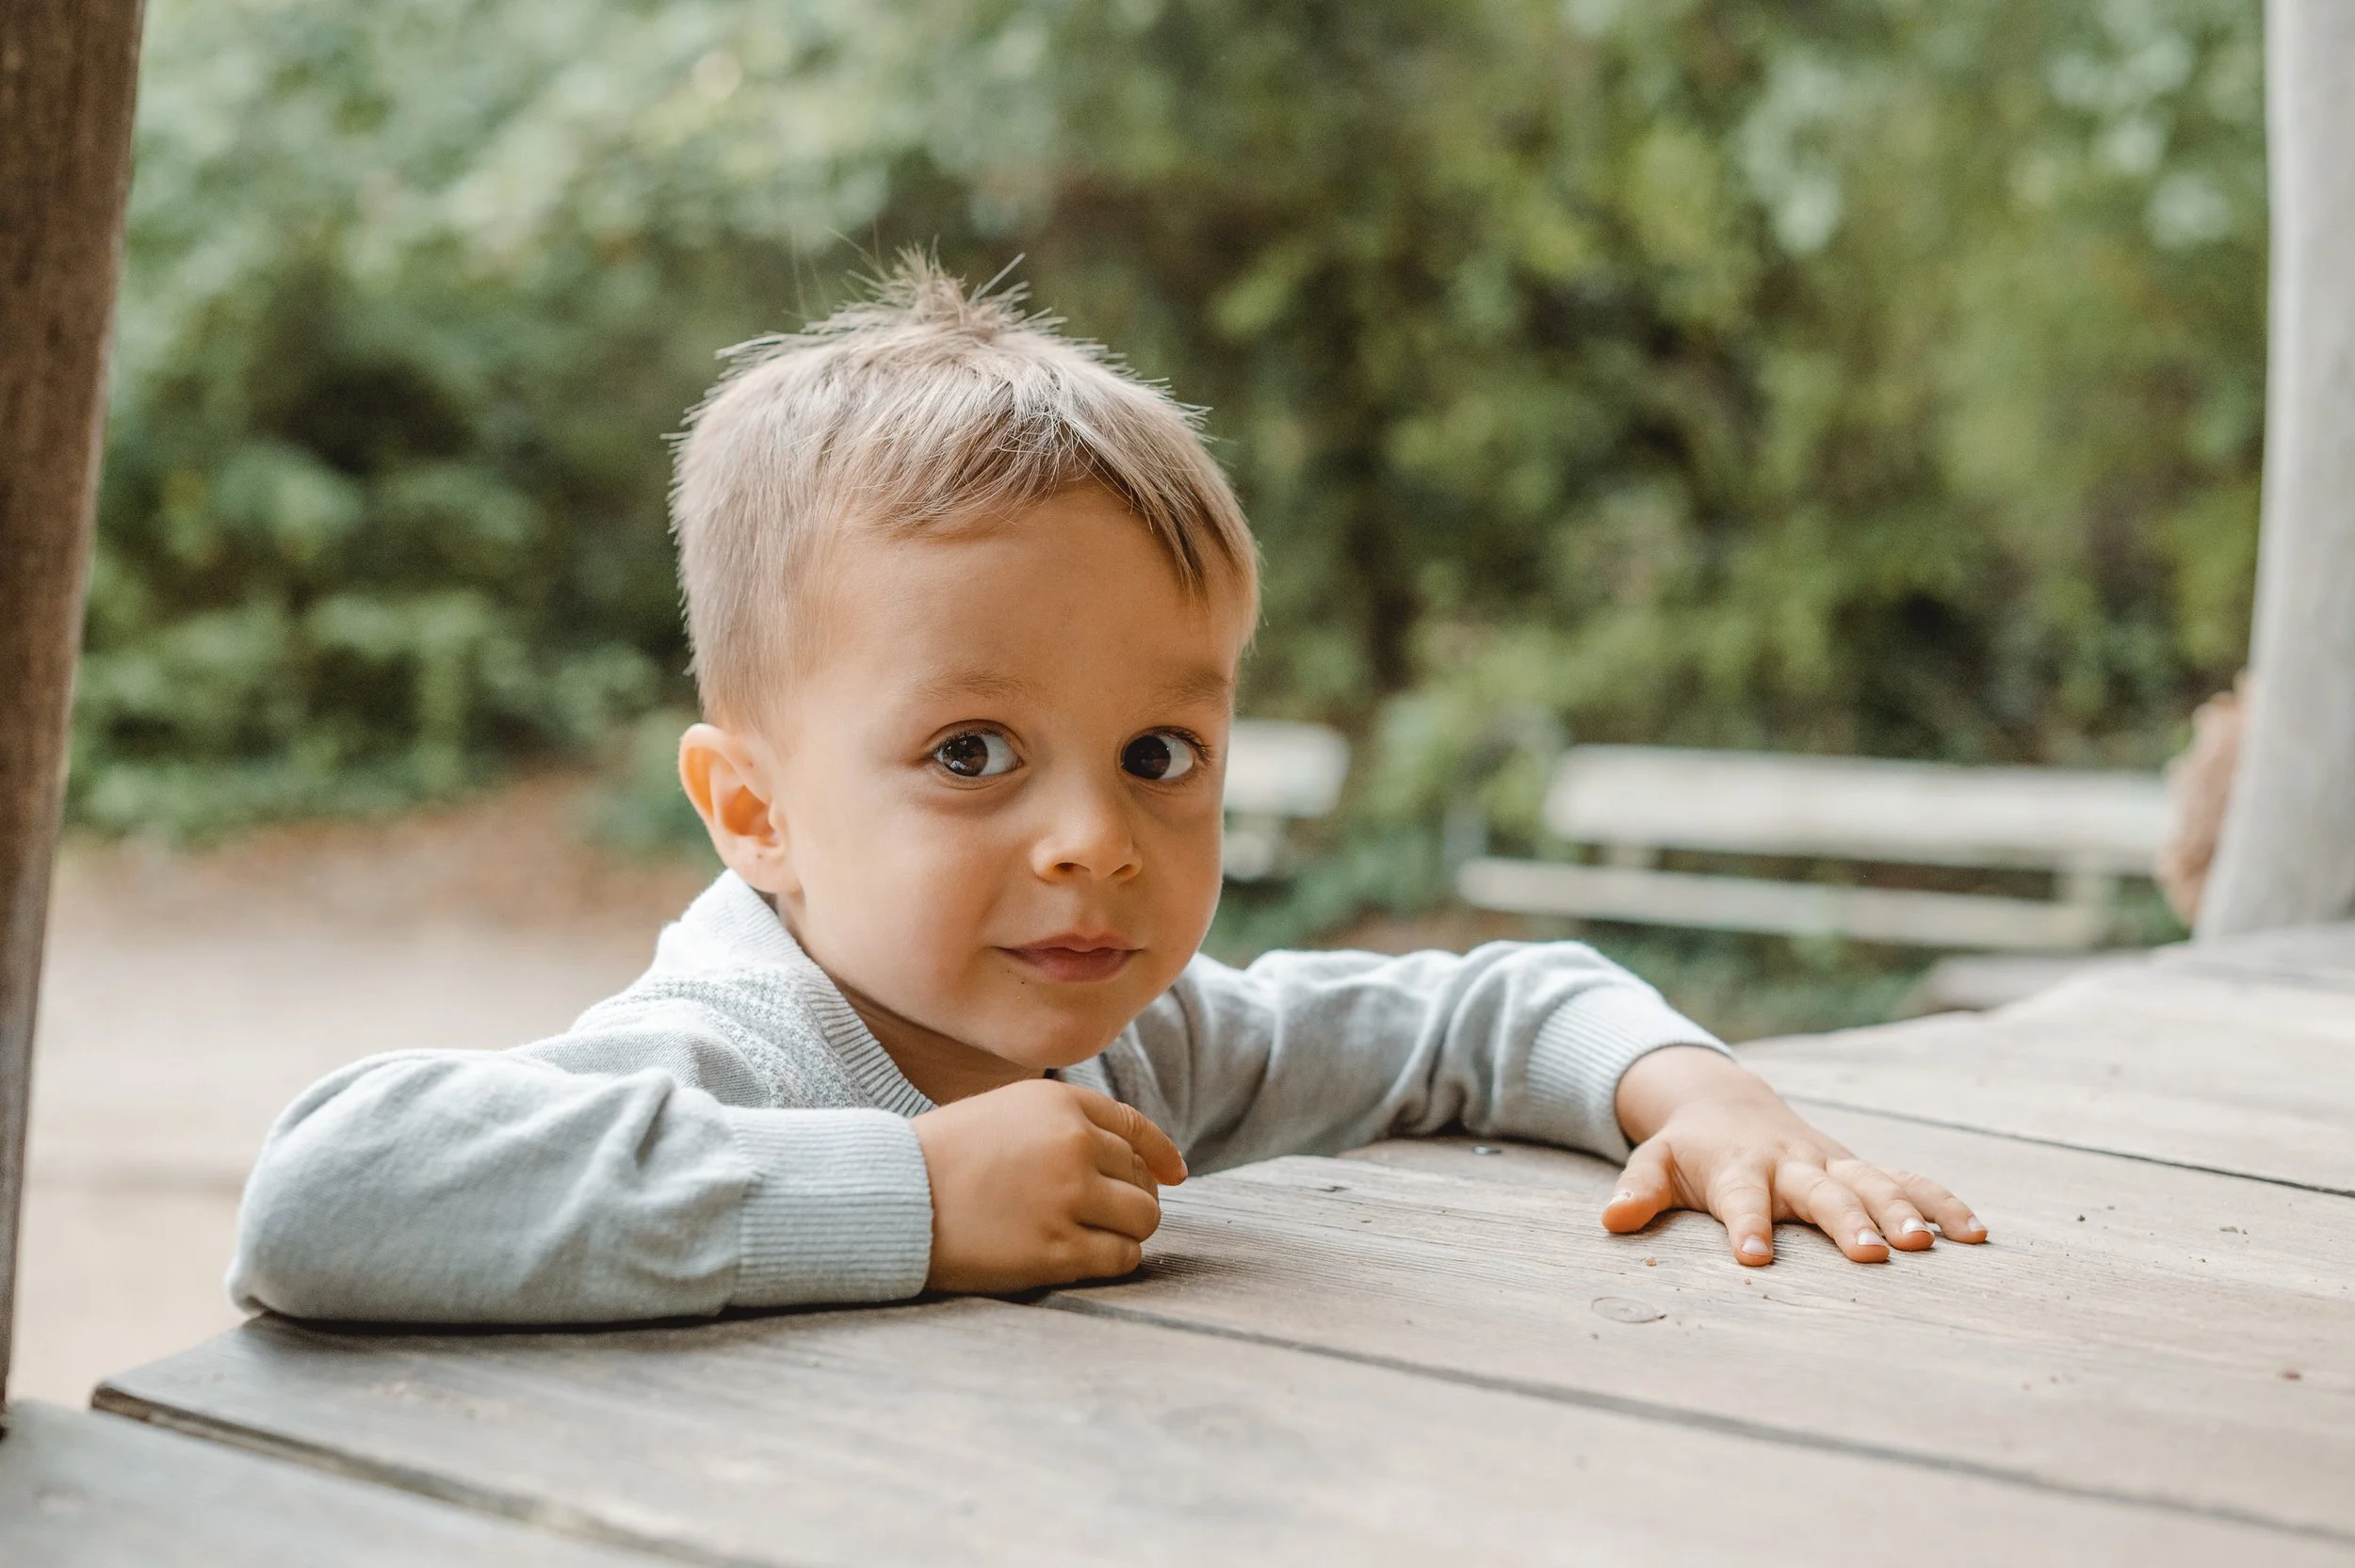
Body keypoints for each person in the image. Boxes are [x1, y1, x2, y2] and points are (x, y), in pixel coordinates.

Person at [228, 258, 1985, 1324]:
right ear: (753, 813)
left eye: (1162, 756)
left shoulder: (1146, 1041)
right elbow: (326, 1196)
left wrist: (1703, 1096)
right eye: (971, 754)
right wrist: (912, 1205)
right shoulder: (737, 1054)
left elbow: (1484, 1008)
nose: (1095, 841)